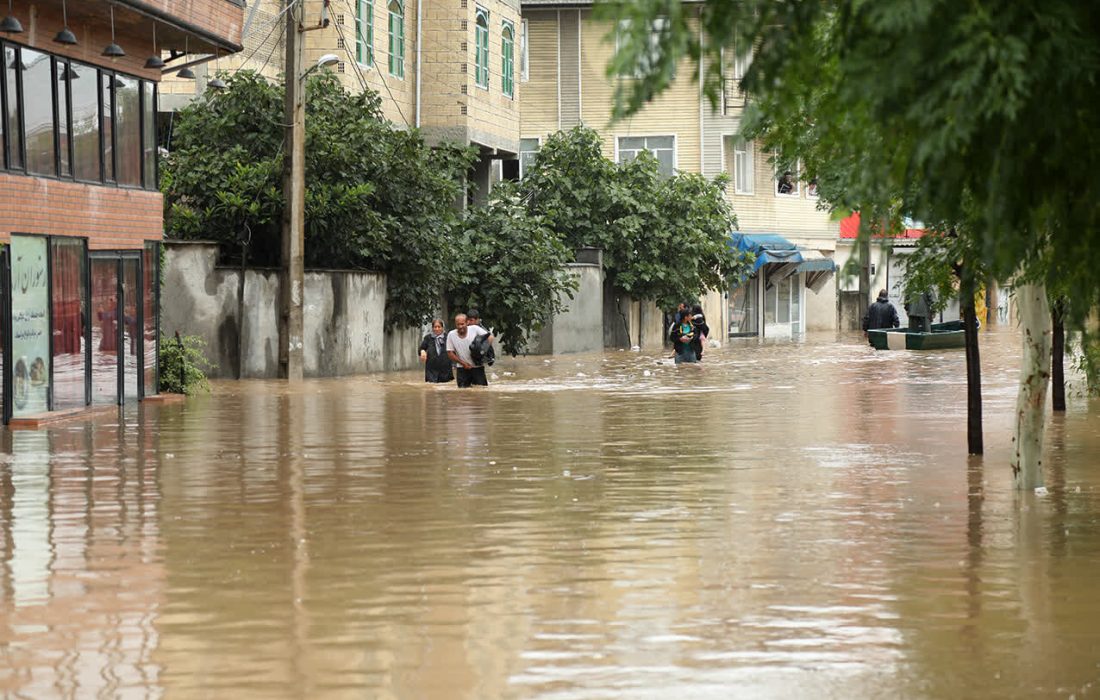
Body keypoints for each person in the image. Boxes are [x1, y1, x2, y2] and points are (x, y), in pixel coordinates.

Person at [446, 313, 493, 387]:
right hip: (462, 369)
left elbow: (490, 337)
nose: (460, 326)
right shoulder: (451, 335)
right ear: (455, 324)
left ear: (467, 322)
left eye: (462, 324)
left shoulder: (474, 329)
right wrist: (463, 363)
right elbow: (450, 353)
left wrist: (483, 350)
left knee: (481, 392)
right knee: (462, 394)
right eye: (458, 324)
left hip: (477, 367)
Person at [419, 319, 453, 383]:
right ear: (432, 328)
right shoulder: (428, 338)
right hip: (431, 372)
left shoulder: (448, 337)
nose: (437, 329)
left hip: (445, 371)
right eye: (435, 327)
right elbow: (421, 348)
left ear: (442, 328)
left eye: (439, 327)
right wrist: (422, 351)